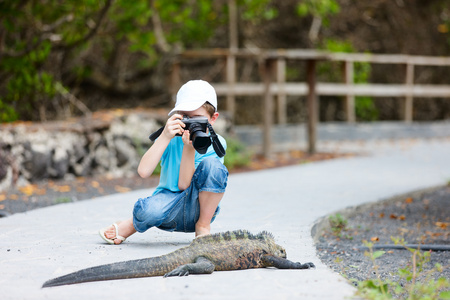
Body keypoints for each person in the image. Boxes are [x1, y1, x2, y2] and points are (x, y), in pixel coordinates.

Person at [99, 80, 228, 244]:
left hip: (200, 210)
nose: (191, 124)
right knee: (149, 211)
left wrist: (190, 149)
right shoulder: (171, 138)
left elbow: (184, 185)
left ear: (212, 119)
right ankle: (131, 224)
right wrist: (164, 137)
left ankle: (203, 227)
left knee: (214, 166)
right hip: (166, 209)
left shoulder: (216, 143)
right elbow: (144, 172)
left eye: (197, 119)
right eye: (186, 117)